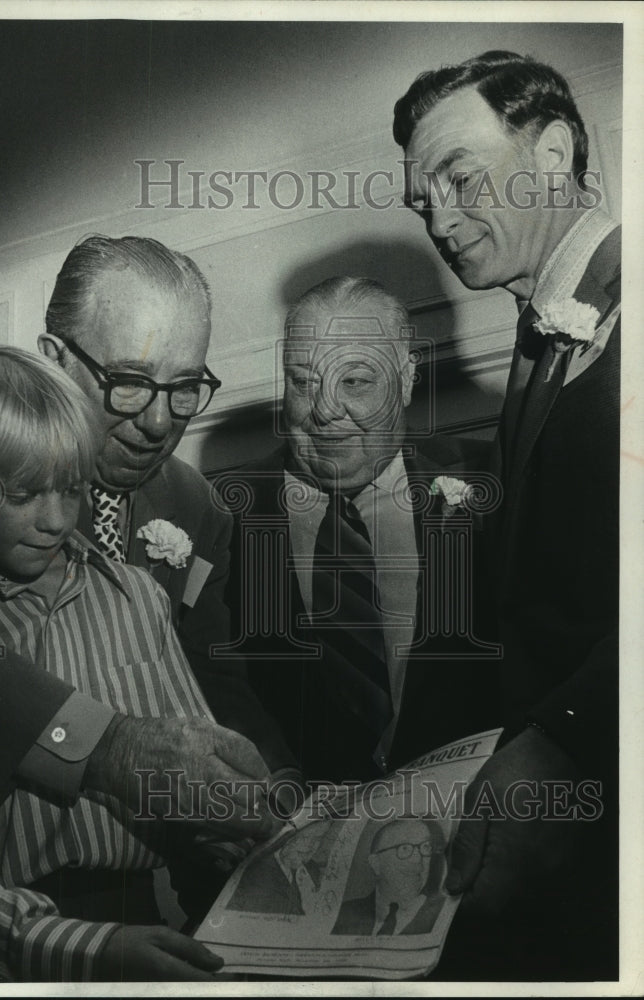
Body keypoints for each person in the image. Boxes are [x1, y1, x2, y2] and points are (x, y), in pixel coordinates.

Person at [0, 235, 296, 828]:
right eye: (128, 379)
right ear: (54, 356)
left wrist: (277, 782)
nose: (156, 422)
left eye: (183, 388)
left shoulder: (195, 505)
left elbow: (213, 679)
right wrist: (105, 745)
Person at [0, 345, 241, 982]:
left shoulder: (137, 597)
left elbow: (192, 793)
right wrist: (68, 946)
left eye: (71, 489)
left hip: (150, 926)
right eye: (20, 494)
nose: (52, 520)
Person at [393, 50, 619, 978]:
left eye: (459, 177)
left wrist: (567, 738)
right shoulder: (544, 335)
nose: (441, 220)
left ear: (554, 151)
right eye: (423, 201)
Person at [215, 276, 498, 786]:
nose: (325, 410)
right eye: (303, 382)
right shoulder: (223, 515)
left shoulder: (489, 485)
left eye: (355, 382)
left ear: (407, 378)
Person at [331, 819, 446, 936]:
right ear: (376, 863)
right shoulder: (342, 914)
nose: (417, 860)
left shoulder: (445, 913)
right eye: (404, 848)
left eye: (426, 847)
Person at [226, 820, 331, 916]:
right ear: (290, 837)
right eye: (306, 838)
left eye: (318, 840)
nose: (311, 847)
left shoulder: (310, 867)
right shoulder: (258, 876)